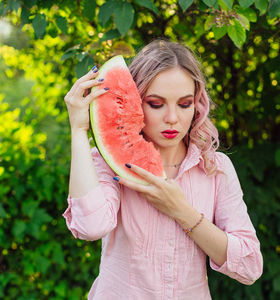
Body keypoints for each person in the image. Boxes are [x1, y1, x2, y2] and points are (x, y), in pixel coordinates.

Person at [63, 39, 263, 299]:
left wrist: (183, 212)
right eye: (156, 104)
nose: (172, 118)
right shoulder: (106, 162)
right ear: (134, 102)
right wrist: (79, 131)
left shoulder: (215, 168)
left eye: (184, 104)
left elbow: (249, 266)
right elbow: (89, 227)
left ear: (197, 104)